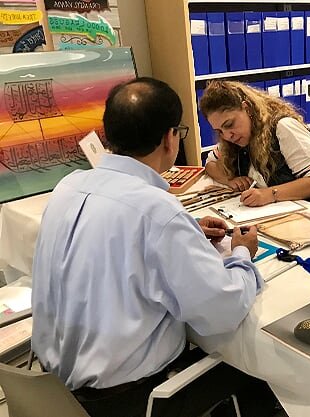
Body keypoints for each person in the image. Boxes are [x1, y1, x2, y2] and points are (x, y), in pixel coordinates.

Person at [31, 77, 277, 417]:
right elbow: (222, 310)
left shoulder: (69, 187)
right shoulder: (157, 211)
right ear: (169, 138)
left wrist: (186, 232)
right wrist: (242, 254)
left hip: (50, 390)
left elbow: (113, 242)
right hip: (127, 400)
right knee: (258, 372)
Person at [200, 80, 310, 206]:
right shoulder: (235, 139)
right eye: (219, 131)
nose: (227, 135)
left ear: (247, 108)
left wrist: (269, 194)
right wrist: (230, 180)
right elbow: (210, 165)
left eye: (229, 124)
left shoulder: (283, 127)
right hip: (280, 212)